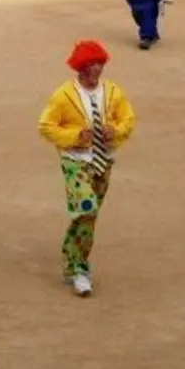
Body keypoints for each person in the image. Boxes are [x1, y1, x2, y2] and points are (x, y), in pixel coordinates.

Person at [37, 40, 136, 297]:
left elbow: (128, 119)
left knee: (88, 215)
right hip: (75, 161)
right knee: (87, 207)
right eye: (92, 64)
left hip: (104, 159)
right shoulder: (63, 95)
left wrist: (116, 131)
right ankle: (80, 269)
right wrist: (75, 137)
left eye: (100, 63)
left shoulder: (113, 92)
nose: (97, 69)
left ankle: (72, 259)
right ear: (80, 68)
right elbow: (46, 126)